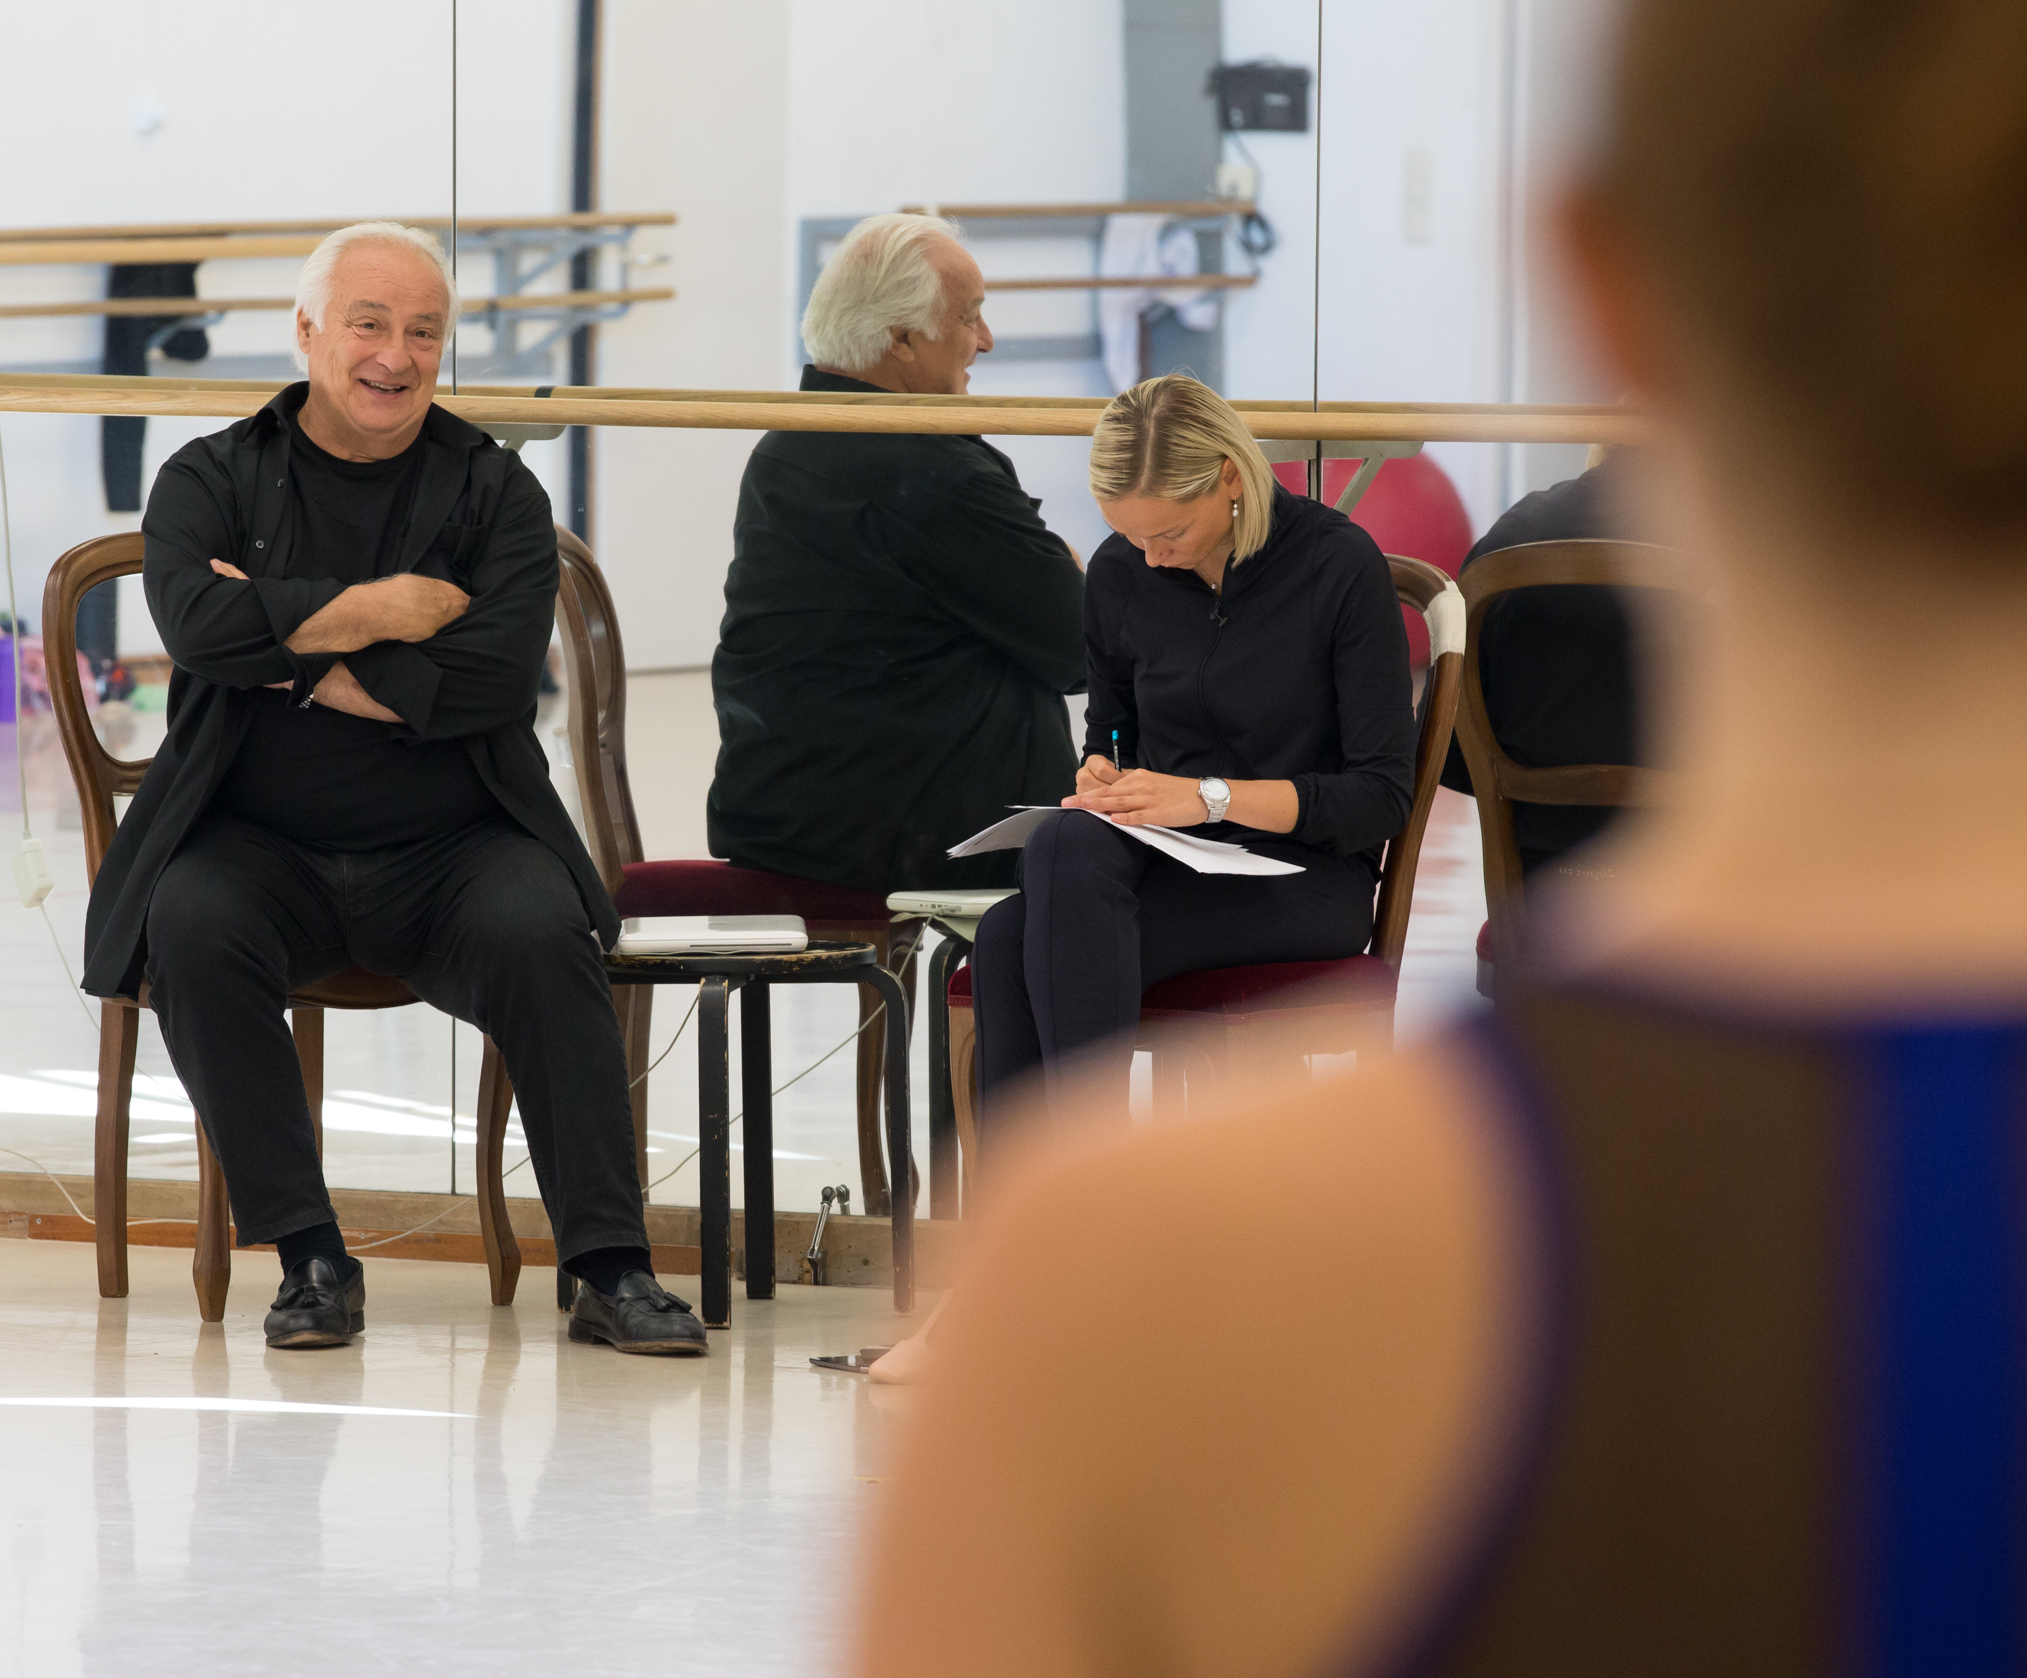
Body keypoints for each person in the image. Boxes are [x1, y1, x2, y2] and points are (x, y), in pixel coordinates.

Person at [851, 0, 2027, 1671]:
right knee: (1063, 863)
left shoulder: (1136, 1282)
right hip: (1182, 880)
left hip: (1291, 925)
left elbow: (1372, 787)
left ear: (1606, 281)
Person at [82, 223, 703, 1357]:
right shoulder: (209, 476)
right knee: (191, 922)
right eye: (369, 324)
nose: (395, 356)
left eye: (423, 332)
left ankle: (609, 1265)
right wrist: (381, 612)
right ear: (309, 331)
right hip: (255, 844)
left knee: (544, 927)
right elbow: (194, 628)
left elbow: (489, 683)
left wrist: (283, 639)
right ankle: (311, 1255)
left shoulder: (493, 492)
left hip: (455, 848)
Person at [970, 374, 1416, 1121]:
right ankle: (1075, 1206)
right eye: (1130, 535)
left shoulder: (1336, 567)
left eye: (1167, 534)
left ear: (1229, 479)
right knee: (1058, 844)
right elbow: (1112, 727)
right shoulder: (1119, 575)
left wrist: (1209, 797)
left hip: (1300, 870)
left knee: (1010, 939)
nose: (1147, 558)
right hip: (1171, 854)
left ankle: (1064, 1204)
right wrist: (1105, 767)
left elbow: (1381, 794)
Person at [707, 213, 1085, 894]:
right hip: (885, 832)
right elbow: (1082, 646)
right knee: (1150, 862)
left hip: (807, 807)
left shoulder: (794, 440)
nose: (987, 341)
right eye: (970, 318)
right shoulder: (917, 469)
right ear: (903, 341)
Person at [1436, 447, 1649, 877]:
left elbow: (1450, 746)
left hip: (1544, 885)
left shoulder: (1514, 533)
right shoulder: (1753, 545)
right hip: (1714, 895)